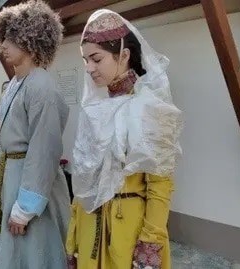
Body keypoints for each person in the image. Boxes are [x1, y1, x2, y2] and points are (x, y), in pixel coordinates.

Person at [66, 10, 183, 269]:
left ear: (124, 55)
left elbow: (160, 184)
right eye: (85, 60)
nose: (89, 68)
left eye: (96, 59)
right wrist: (73, 236)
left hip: (127, 231)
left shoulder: (151, 109)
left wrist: (150, 242)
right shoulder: (95, 111)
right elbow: (84, 181)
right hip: (89, 228)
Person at [0, 1, 71, 268]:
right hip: (11, 177)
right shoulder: (16, 83)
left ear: (31, 39)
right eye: (3, 37)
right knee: (12, 255)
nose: (3, 44)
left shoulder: (41, 86)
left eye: (11, 38)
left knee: (34, 254)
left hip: (29, 186)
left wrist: (26, 208)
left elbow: (45, 150)